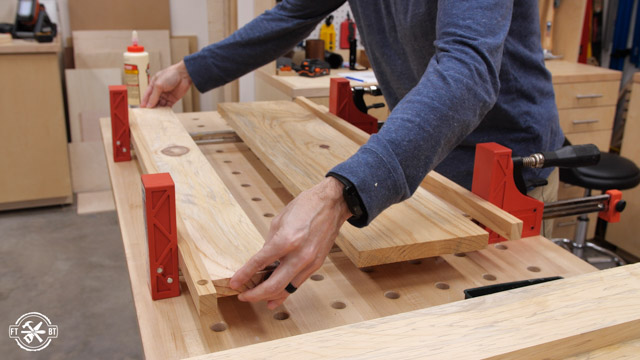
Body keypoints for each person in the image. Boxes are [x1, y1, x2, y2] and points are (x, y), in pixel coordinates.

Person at [142, 1, 564, 310]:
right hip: (426, 155)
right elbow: (292, 14)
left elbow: (467, 70)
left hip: (506, 163)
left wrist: (338, 195)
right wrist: (191, 69)